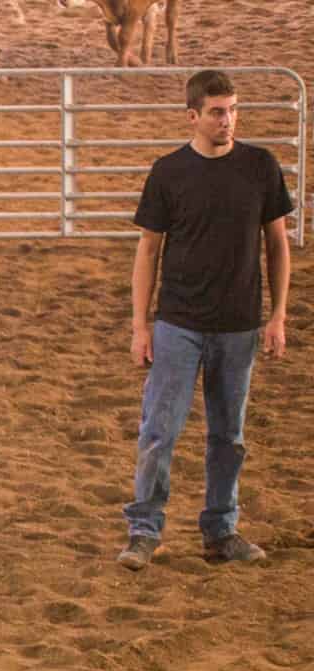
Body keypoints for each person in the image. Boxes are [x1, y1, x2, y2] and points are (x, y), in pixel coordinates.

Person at [118, 68, 294, 571]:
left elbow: (277, 244)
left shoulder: (260, 167)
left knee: (229, 435)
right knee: (159, 429)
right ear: (193, 116)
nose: (228, 120)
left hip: (240, 323)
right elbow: (148, 250)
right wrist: (140, 325)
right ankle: (144, 530)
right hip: (179, 322)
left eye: (234, 109)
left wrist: (277, 315)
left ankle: (221, 530)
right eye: (218, 111)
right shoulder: (169, 171)